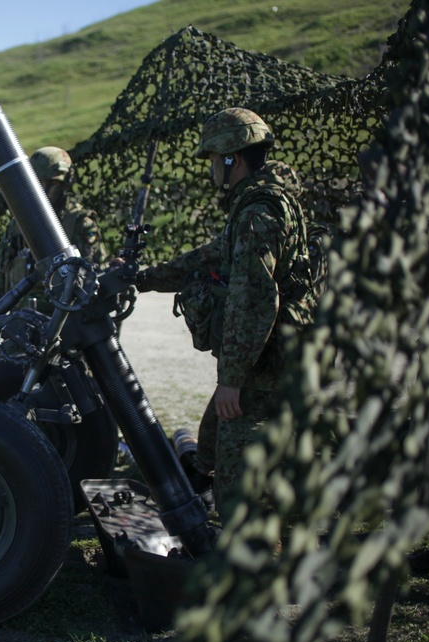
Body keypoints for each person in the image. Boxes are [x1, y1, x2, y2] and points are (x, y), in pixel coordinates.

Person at [132, 108, 316, 523]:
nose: (213, 168)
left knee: (241, 481)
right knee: (214, 442)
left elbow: (253, 299)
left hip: (262, 367)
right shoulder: (265, 201)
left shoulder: (256, 213)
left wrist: (231, 380)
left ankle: (252, 566)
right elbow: (213, 254)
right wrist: (145, 279)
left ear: (231, 158)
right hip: (276, 359)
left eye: (215, 159)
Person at [0, 146, 108, 363]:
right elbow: (2, 277)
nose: (46, 190)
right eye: (39, 183)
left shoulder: (79, 223)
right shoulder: (17, 224)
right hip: (21, 327)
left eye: (53, 184)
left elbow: (96, 281)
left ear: (66, 183)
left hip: (65, 329)